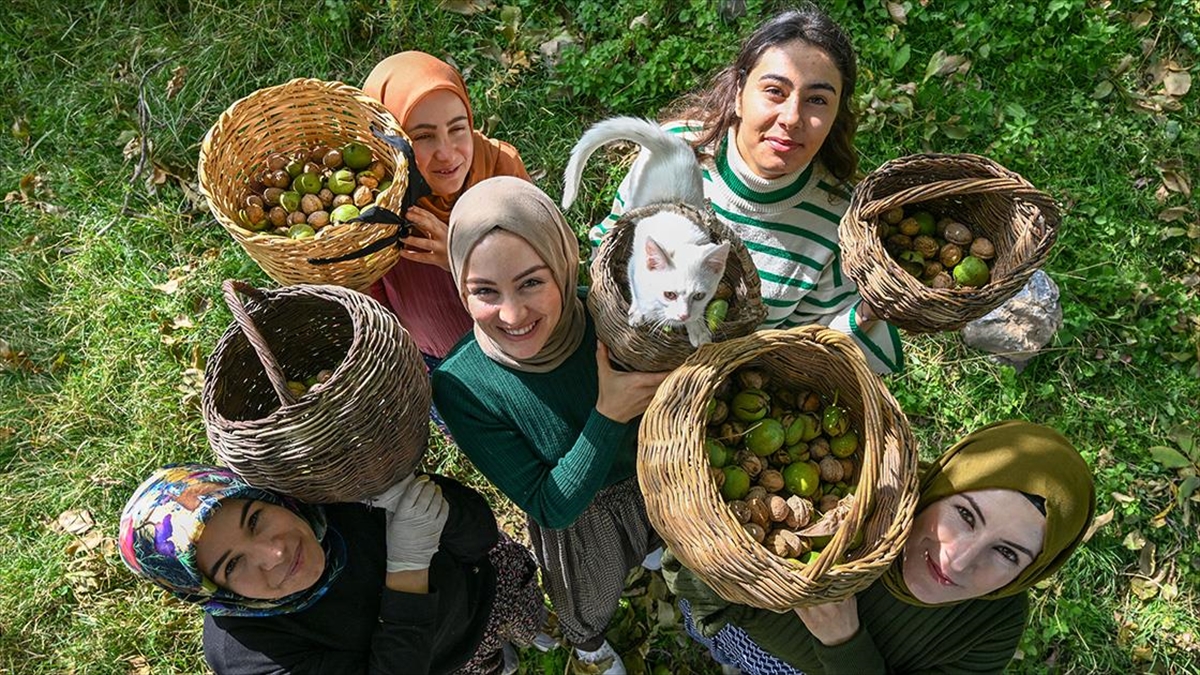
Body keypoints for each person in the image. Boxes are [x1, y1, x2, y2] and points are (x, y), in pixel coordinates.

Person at [430, 176, 669, 674]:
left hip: (653, 481)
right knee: (591, 597)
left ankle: (650, 553)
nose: (513, 314)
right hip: (583, 523)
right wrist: (609, 414)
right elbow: (548, 505)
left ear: (563, 265)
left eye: (532, 282)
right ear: (459, 286)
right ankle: (589, 650)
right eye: (484, 291)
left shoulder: (610, 315)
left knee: (657, 542)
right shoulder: (462, 385)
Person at [587, 6, 903, 375]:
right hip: (632, 355)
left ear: (836, 116)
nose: (791, 118)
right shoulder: (677, 151)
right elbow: (611, 245)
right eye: (774, 91)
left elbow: (812, 341)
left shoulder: (837, 219)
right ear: (739, 91)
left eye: (817, 100)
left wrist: (871, 310)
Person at [665, 420, 1097, 674]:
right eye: (965, 515)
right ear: (939, 487)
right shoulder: (865, 496)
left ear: (1033, 570)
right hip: (733, 626)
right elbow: (689, 578)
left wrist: (843, 640)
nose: (957, 560)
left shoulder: (992, 628)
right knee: (724, 649)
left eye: (1007, 553)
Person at [118, 464, 547, 675]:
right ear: (213, 590)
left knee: (532, 621)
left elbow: (480, 537)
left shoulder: (335, 493)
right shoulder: (247, 654)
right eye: (233, 564)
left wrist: (419, 500)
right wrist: (408, 569)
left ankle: (531, 634)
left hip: (486, 592)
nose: (275, 554)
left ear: (270, 497)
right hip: (439, 665)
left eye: (255, 519)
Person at [362, 51, 531, 368]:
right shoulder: (381, 200)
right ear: (388, 140)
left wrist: (457, 260)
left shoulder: (501, 171)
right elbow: (372, 288)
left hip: (521, 340)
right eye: (423, 136)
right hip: (440, 359)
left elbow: (545, 263)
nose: (446, 153)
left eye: (457, 128)